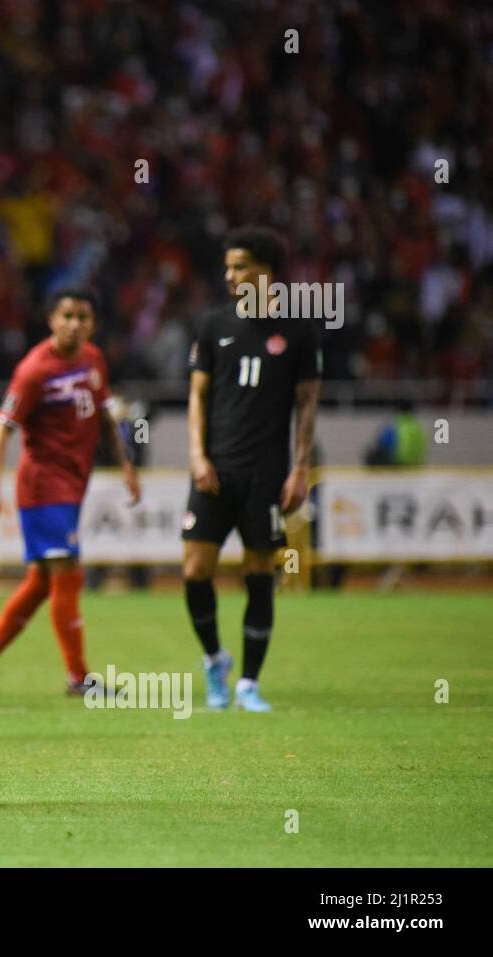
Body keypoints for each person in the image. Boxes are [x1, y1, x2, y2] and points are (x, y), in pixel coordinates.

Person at [0, 288, 141, 695]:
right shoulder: (34, 370)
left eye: (83, 317)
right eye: (67, 316)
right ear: (52, 320)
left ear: (93, 324)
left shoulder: (93, 359)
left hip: (74, 484)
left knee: (42, 583)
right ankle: (78, 677)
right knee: (69, 573)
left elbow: (104, 417)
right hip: (43, 486)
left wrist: (127, 465)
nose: (75, 324)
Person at [182, 227, 321, 712]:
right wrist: (197, 455)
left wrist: (300, 468)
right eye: (228, 267)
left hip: (268, 474)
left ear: (267, 272)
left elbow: (306, 404)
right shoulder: (212, 323)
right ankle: (215, 659)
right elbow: (198, 396)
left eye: (240, 267)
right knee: (195, 569)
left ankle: (248, 684)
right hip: (215, 470)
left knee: (260, 570)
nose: (230, 275)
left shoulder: (299, 330)